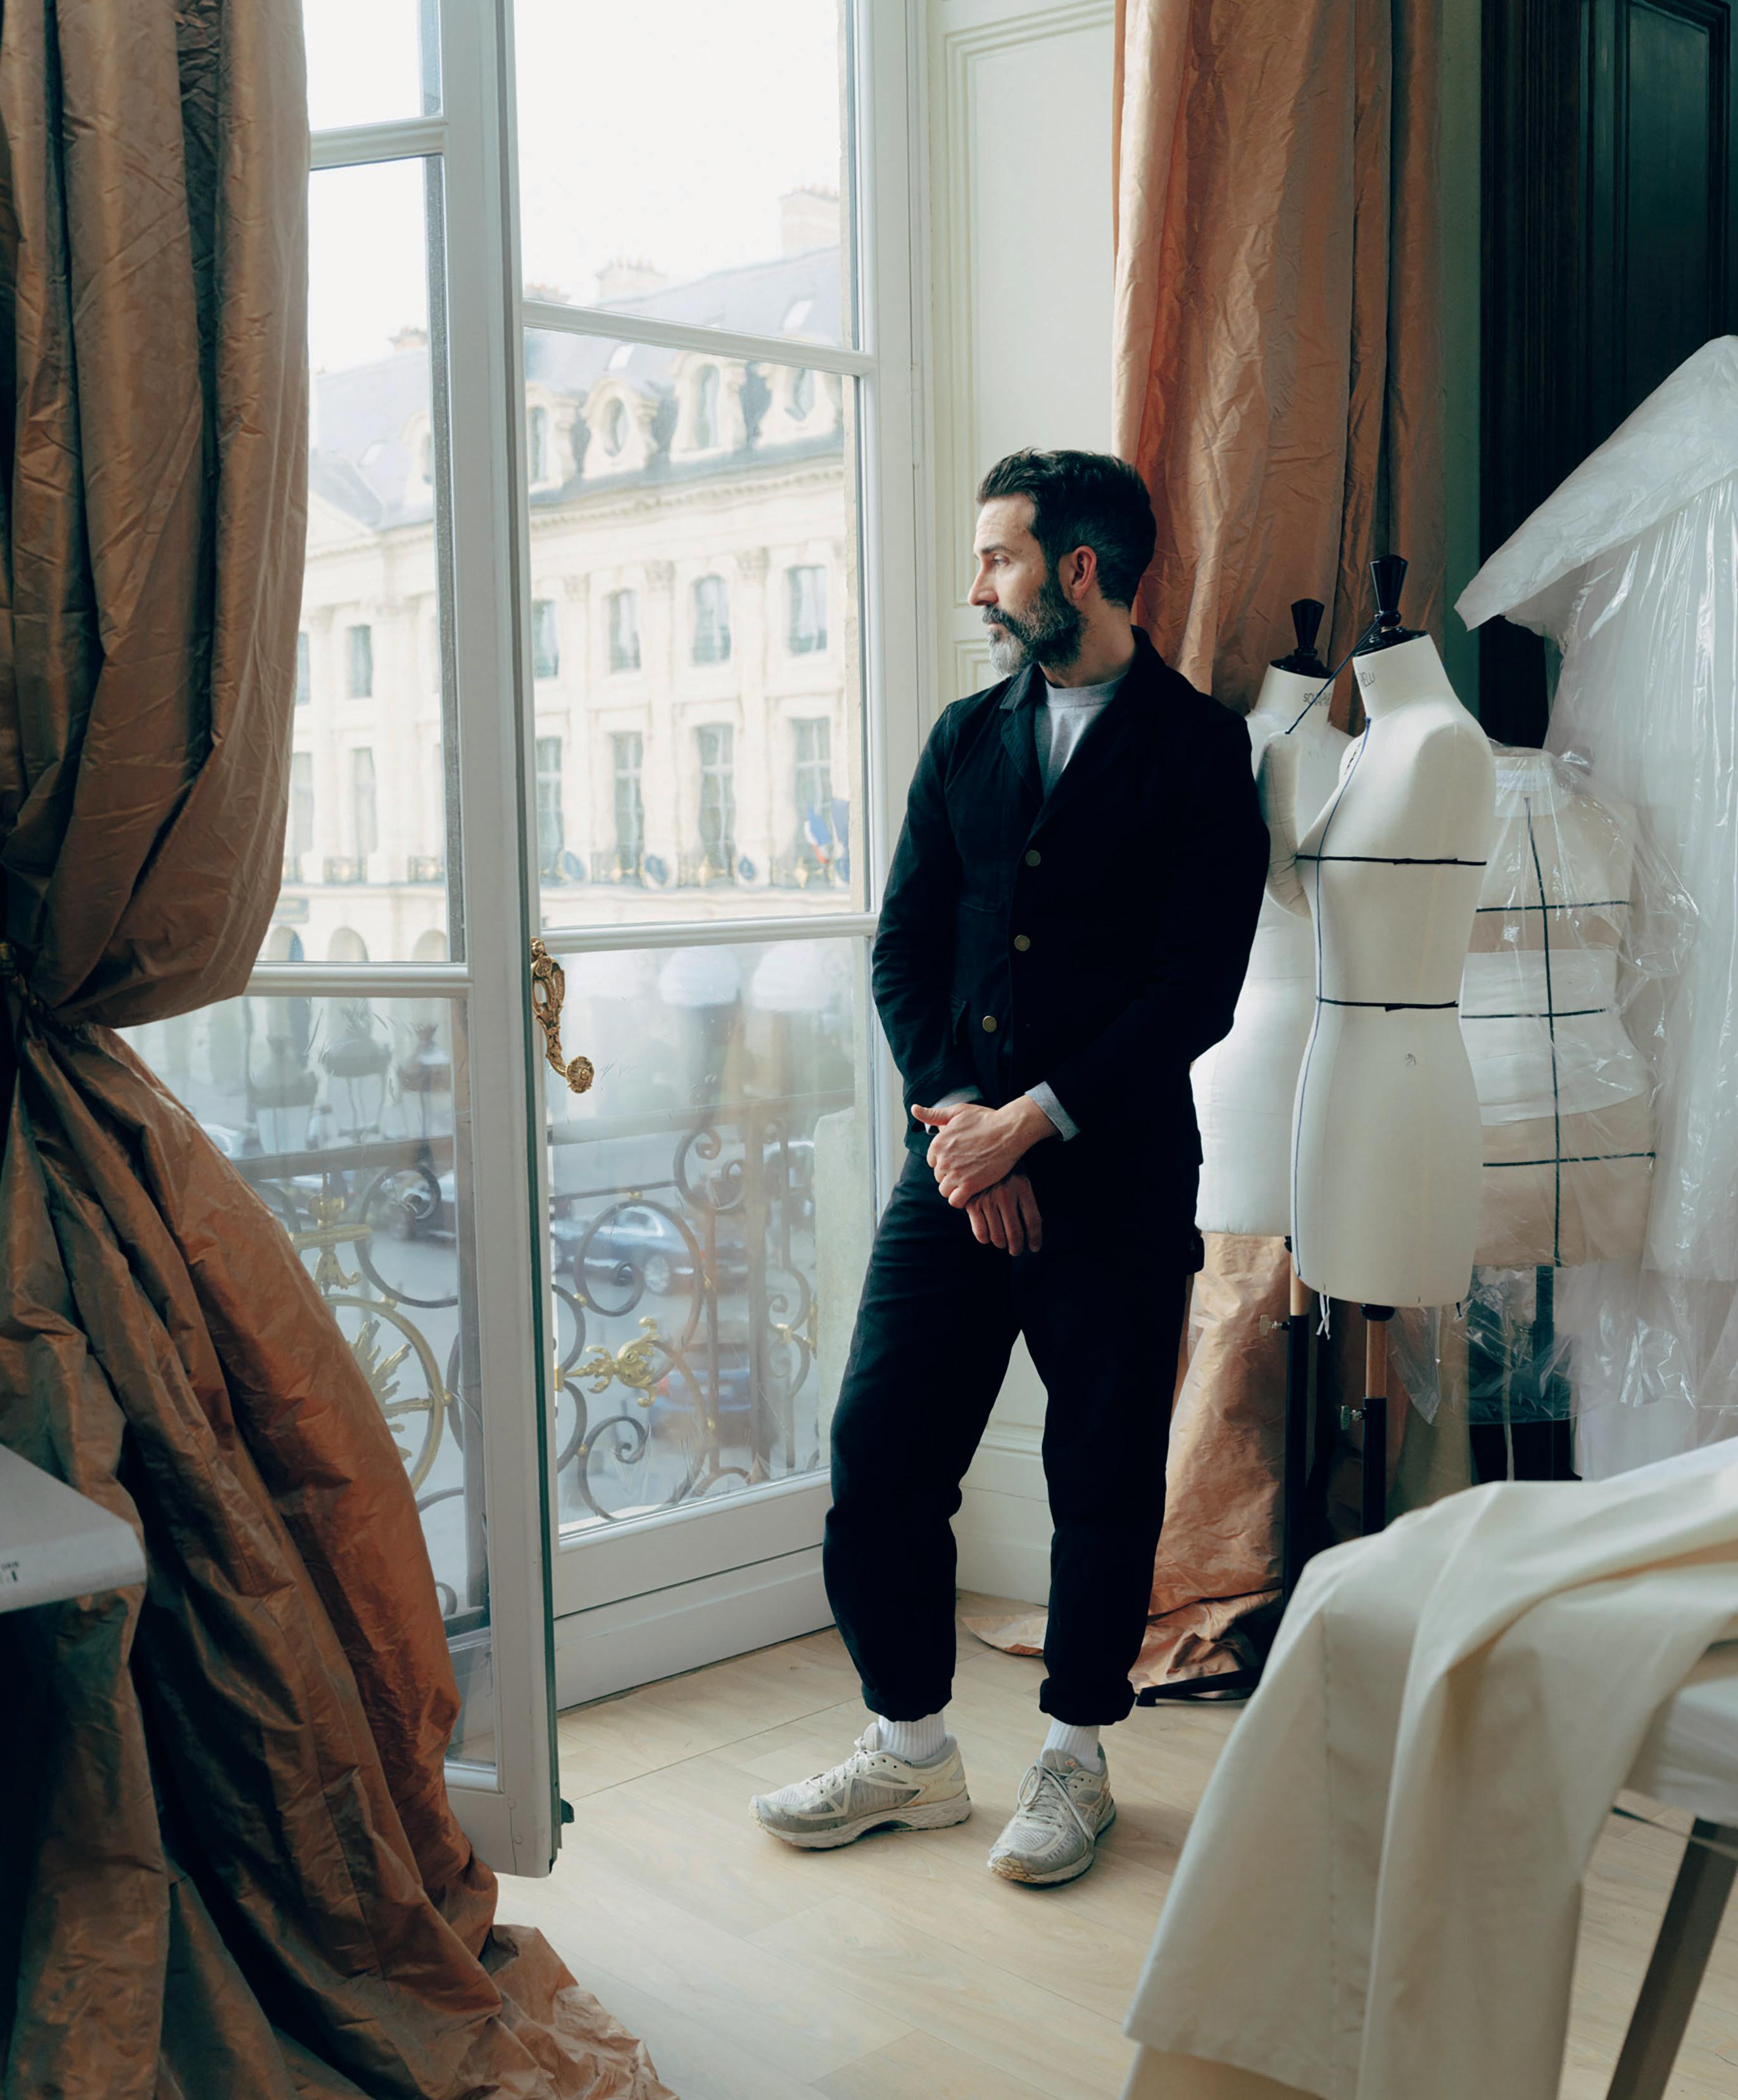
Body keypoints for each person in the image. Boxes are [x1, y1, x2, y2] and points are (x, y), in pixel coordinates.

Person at [750, 449, 1269, 1885]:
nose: (978, 583)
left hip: (1112, 1177)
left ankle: (1075, 1758)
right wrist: (964, 1129)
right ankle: (908, 1751)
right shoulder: (964, 734)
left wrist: (1032, 1122)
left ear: (1078, 572)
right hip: (953, 1162)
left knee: (1096, 1476)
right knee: (879, 1452)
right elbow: (903, 946)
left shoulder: (1196, 749)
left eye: (997, 557)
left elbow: (1193, 989)